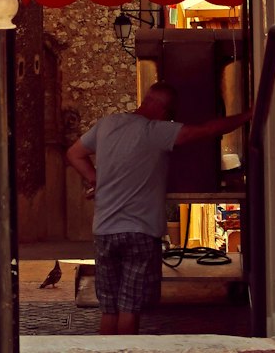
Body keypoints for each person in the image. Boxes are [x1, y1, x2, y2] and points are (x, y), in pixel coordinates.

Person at [66, 81, 252, 336]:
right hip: (140, 233)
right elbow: (205, 130)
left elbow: (74, 153)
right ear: (164, 110)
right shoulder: (157, 131)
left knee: (109, 309)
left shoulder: (107, 124)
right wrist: (248, 115)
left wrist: (95, 180)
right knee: (129, 308)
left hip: (104, 232)